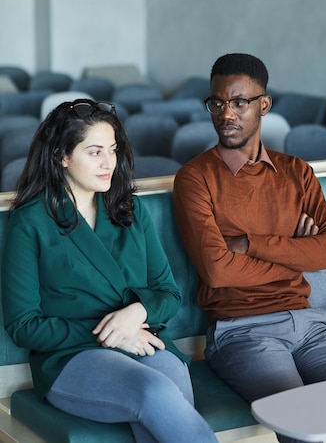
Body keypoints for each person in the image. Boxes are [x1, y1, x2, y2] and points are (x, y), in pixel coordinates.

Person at [173, 53, 326, 443]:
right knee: (304, 424)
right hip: (242, 331)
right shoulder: (196, 178)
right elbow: (218, 271)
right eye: (217, 102)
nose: (227, 113)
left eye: (240, 102)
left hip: (310, 326)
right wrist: (295, 254)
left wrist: (251, 246)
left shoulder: (297, 172)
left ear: (264, 105)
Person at [1, 98, 217, 443]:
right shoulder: (31, 222)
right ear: (62, 156)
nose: (109, 163)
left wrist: (137, 312)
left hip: (143, 339)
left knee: (172, 379)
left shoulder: (131, 209)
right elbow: (24, 326)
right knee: (155, 391)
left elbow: (168, 293)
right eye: (94, 152)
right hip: (70, 357)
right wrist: (109, 332)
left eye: (113, 150)